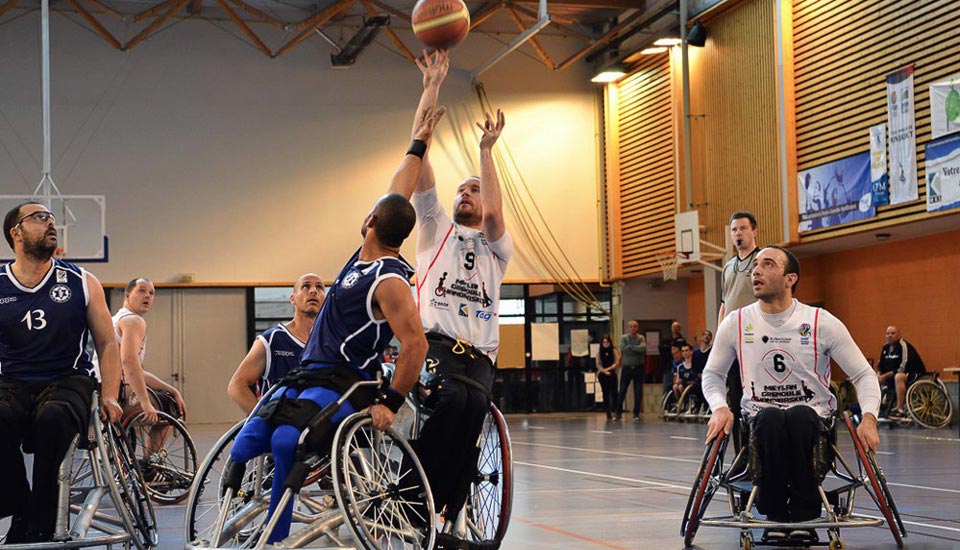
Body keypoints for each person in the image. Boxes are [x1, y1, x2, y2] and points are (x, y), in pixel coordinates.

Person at [226, 86, 443, 544]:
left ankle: (275, 533)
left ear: (369, 221)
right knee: (247, 441)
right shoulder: (358, 260)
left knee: (287, 442)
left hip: (349, 382)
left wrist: (391, 403)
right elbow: (399, 188)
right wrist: (419, 139)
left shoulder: (389, 280)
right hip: (307, 376)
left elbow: (416, 345)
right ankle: (241, 515)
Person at [387, 50, 513, 544]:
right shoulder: (435, 226)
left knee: (470, 417)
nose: (465, 194)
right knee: (450, 404)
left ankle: (444, 514)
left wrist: (486, 151)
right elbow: (418, 163)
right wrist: (431, 89)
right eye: (461, 189)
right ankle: (412, 501)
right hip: (435, 347)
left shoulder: (496, 246)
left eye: (474, 191)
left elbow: (498, 214)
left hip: (479, 356)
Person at [702, 246, 880, 541]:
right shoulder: (735, 321)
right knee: (770, 418)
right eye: (755, 265)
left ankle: (804, 513)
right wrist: (720, 406)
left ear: (790, 278)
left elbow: (863, 375)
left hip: (813, 424)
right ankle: (773, 511)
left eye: (768, 264)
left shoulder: (821, 321)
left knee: (799, 416)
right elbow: (712, 374)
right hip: (760, 423)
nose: (756, 270)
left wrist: (870, 419)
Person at [0, 201, 123, 543]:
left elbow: (108, 344)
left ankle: (39, 522)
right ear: (16, 233)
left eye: (52, 218)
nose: (50, 223)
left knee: (53, 419)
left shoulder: (82, 281)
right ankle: (20, 506)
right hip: (12, 381)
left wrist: (111, 394)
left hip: (67, 378)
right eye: (39, 217)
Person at [227, 274, 325, 414]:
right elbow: (236, 386)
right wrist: (262, 418)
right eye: (306, 286)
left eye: (319, 287)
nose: (313, 290)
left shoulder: (331, 342)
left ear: (325, 300)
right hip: (282, 423)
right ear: (293, 299)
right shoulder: (271, 340)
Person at [113, 277, 187, 423]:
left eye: (151, 293)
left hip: (99, 384)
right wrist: (145, 402)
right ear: (127, 295)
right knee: (169, 404)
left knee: (167, 393)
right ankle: (155, 447)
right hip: (116, 389)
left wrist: (172, 389)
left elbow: (135, 371)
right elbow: (129, 362)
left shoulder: (114, 319)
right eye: (141, 291)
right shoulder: (133, 321)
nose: (147, 296)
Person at [717, 212, 761, 447]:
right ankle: (741, 458)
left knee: (756, 401)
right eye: (734, 230)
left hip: (756, 343)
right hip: (733, 344)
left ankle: (760, 452)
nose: (738, 234)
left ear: (754, 231)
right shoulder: (728, 266)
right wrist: (720, 338)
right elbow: (725, 304)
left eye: (743, 228)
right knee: (735, 401)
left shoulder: (762, 261)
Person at [876, 325, 926, 419]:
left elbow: (903, 367)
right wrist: (878, 374)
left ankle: (900, 409)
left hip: (913, 373)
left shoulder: (904, 346)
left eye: (893, 333)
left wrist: (885, 376)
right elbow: (880, 365)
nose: (890, 335)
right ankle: (880, 407)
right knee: (875, 378)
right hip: (893, 375)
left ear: (899, 335)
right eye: (888, 333)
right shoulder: (885, 347)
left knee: (899, 376)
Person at [614, 319, 646, 421]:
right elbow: (623, 349)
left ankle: (636, 413)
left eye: (635, 326)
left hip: (638, 368)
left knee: (638, 391)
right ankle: (618, 413)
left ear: (638, 328)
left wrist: (631, 347)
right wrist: (636, 348)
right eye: (631, 326)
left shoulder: (641, 337)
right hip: (626, 368)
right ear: (628, 328)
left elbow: (643, 349)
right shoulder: (624, 337)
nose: (633, 328)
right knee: (622, 390)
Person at [596, 334, 620, 420]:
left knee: (614, 393)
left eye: (607, 342)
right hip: (603, 374)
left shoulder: (614, 351)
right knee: (605, 393)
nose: (605, 344)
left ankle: (616, 411)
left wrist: (609, 369)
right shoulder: (599, 352)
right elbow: (598, 364)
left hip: (612, 373)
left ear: (610, 343)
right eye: (604, 342)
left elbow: (617, 362)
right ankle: (608, 412)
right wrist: (604, 371)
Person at [658, 321, 686, 396]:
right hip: (667, 366)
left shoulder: (682, 340)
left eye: (677, 327)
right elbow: (661, 350)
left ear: (679, 329)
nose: (675, 329)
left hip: (679, 366)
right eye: (673, 327)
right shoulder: (665, 339)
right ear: (671, 328)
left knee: (678, 386)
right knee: (666, 386)